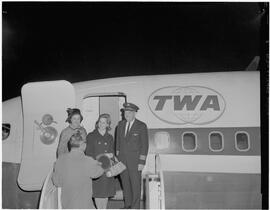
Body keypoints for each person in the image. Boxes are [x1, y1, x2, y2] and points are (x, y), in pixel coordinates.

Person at [52, 132, 104, 209]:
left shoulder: (60, 160)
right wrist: (103, 164)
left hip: (67, 206)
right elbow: (97, 173)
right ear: (83, 145)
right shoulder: (87, 160)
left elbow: (57, 182)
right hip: (84, 206)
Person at [116, 102, 149, 209]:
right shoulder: (120, 125)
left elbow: (144, 145)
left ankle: (135, 207)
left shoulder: (141, 126)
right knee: (125, 184)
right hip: (122, 161)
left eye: (130, 112)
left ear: (135, 113)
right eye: (125, 112)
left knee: (135, 186)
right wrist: (117, 157)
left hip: (135, 162)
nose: (127, 114)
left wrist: (142, 162)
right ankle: (127, 205)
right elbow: (117, 142)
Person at [85, 113, 116, 209]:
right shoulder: (91, 135)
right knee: (98, 193)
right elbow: (88, 153)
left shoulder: (110, 137)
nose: (101, 124)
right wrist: (99, 159)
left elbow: (112, 152)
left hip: (107, 168)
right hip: (96, 168)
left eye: (104, 122)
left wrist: (111, 155)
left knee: (105, 192)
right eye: (100, 122)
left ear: (108, 124)